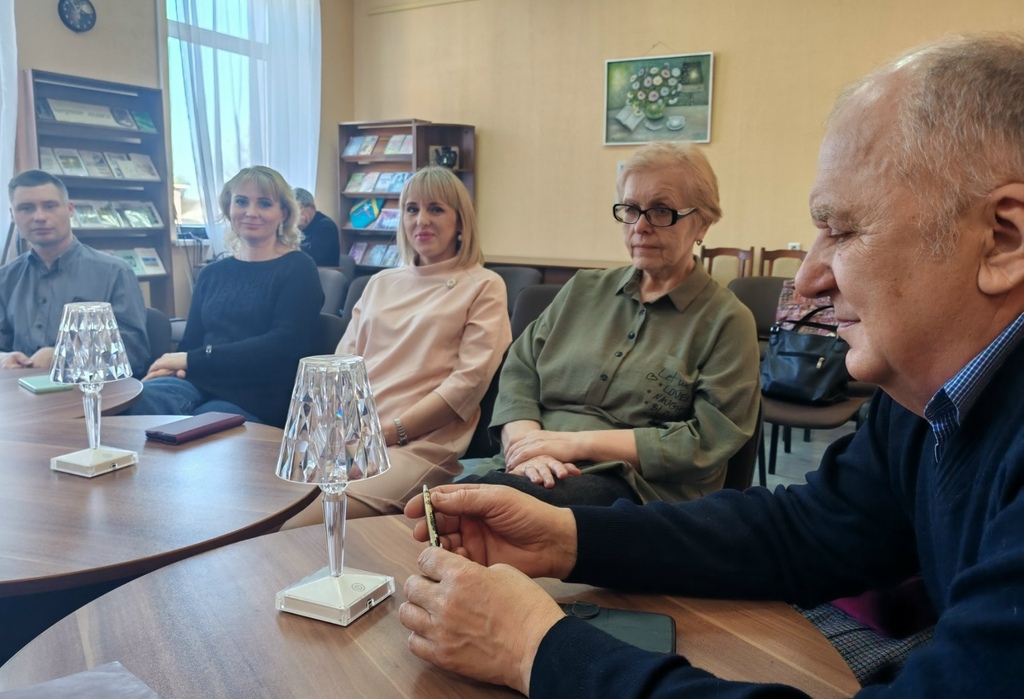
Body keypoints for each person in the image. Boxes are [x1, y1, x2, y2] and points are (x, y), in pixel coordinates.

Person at [400, 32, 1024, 698]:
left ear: (1001, 240)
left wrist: (534, 648)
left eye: (842, 230)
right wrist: (567, 538)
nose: (807, 280)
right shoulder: (923, 401)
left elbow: (710, 447)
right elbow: (804, 532)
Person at [460, 142, 760, 506]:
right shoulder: (582, 289)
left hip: (637, 488)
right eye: (631, 209)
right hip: (527, 467)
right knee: (440, 508)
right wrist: (526, 446)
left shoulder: (727, 321)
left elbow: (707, 440)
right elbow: (520, 369)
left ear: (703, 222)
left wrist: (575, 444)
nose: (641, 227)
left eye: (661, 211)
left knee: (476, 513)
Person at [334, 166, 511, 518]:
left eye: (436, 209)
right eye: (412, 209)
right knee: (270, 506)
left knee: (308, 519)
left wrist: (388, 433)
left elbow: (467, 384)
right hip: (355, 435)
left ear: (460, 222)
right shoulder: (380, 283)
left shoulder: (484, 285)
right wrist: (348, 433)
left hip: (417, 446)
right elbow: (342, 366)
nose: (421, 220)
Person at [124, 166, 323, 427]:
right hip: (199, 382)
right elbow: (191, 343)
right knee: (141, 399)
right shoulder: (212, 274)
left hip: (258, 394)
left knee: (201, 426)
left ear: (283, 213)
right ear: (229, 209)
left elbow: (283, 346)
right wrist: (175, 366)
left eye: (264, 203)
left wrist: (191, 360)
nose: (251, 212)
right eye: (241, 202)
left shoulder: (299, 268)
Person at [1, 170, 150, 375]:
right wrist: (3, 358)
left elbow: (135, 352)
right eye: (26, 208)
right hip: (20, 390)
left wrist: (65, 356)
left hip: (92, 389)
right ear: (12, 215)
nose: (39, 217)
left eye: (49, 206)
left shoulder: (115, 272)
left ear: (70, 209)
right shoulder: (5, 278)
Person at [294, 187, 340, 267]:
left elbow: (315, 256)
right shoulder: (296, 228)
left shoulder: (326, 226)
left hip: (322, 271)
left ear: (312, 207)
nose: (294, 215)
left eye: (298, 209)